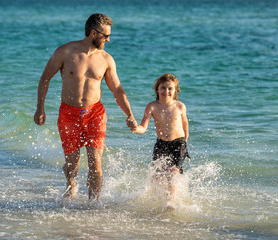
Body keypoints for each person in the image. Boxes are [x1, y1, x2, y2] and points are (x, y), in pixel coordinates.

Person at [34, 13, 137, 202]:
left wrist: (129, 114)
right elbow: (45, 79)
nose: (108, 39)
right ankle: (70, 186)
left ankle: (93, 204)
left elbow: (118, 90)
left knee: (95, 164)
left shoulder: (106, 59)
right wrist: (40, 108)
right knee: (72, 165)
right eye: (105, 35)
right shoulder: (65, 52)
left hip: (95, 114)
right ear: (93, 33)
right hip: (68, 114)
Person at [132, 73, 190, 210]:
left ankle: (171, 202)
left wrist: (185, 143)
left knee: (173, 172)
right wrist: (135, 128)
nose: (166, 91)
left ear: (175, 91)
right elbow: (143, 127)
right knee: (157, 175)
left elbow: (185, 124)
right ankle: (158, 198)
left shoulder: (180, 106)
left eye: (170, 88)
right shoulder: (152, 106)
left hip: (178, 143)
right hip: (161, 144)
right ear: (157, 89)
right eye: (163, 88)